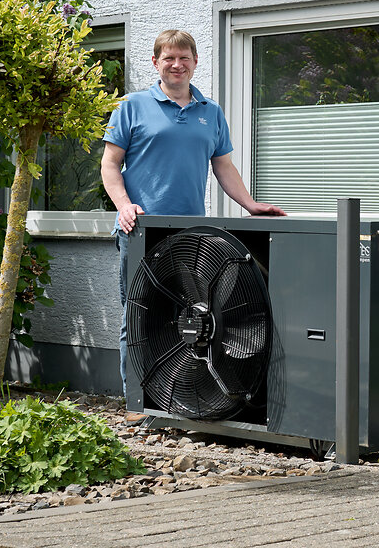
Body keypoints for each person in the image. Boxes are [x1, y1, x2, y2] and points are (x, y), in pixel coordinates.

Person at [101, 29, 286, 396]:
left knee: (186, 315)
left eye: (184, 58)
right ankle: (137, 401)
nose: (177, 64)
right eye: (169, 58)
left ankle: (175, 398)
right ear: (155, 62)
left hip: (188, 233)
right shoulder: (132, 106)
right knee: (137, 316)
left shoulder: (210, 112)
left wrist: (250, 205)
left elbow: (224, 166)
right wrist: (124, 206)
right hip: (140, 228)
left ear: (195, 62)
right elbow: (109, 165)